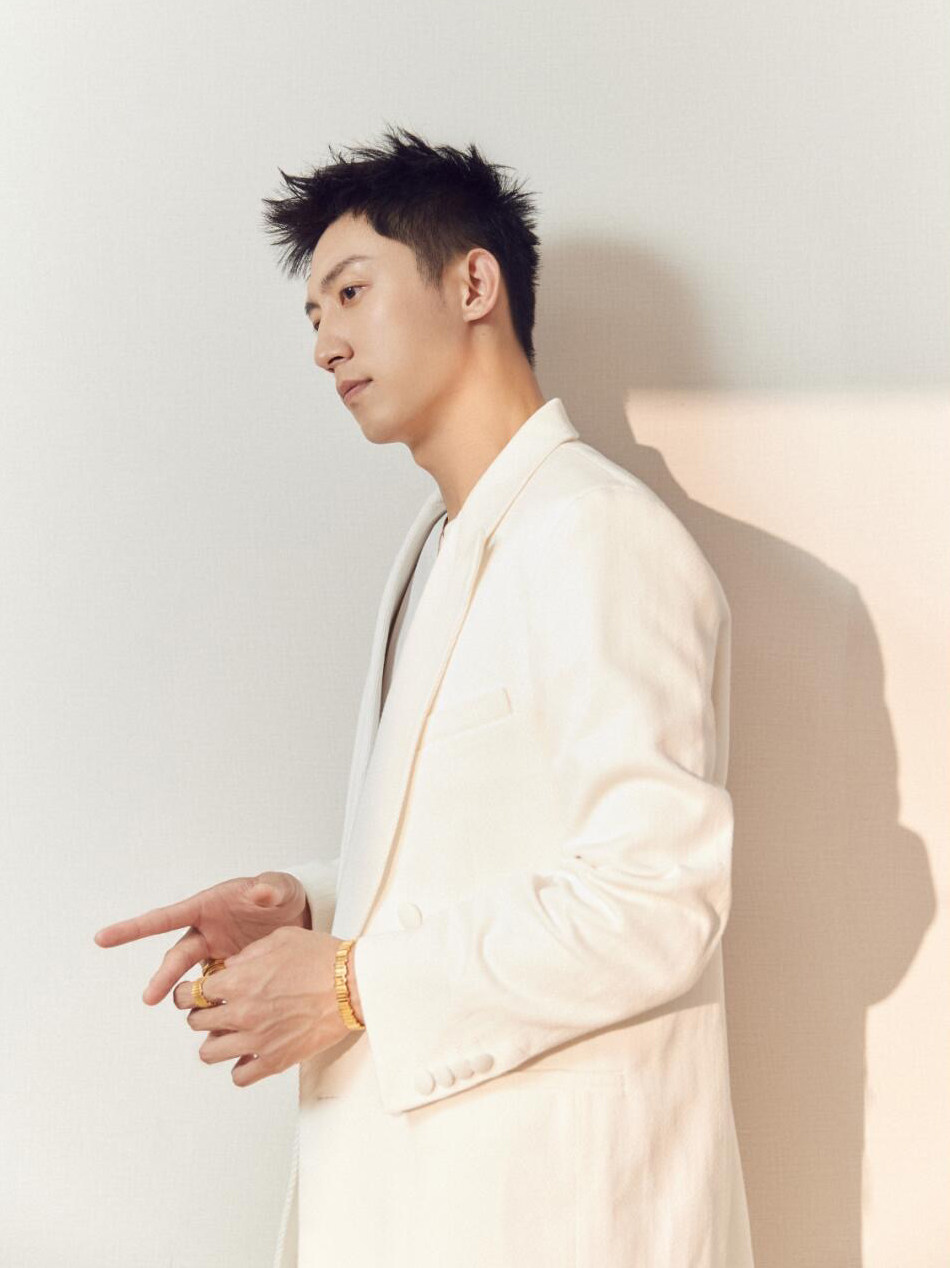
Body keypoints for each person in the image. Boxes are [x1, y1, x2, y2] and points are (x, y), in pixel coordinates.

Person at [94, 124, 755, 1267]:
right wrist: (311, 905)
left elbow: (655, 894)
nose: (324, 343)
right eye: (312, 315)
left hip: (559, 1212)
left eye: (350, 292)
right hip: (431, 1201)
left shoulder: (593, 533)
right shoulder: (439, 546)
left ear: (472, 283)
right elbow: (491, 846)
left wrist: (353, 980)